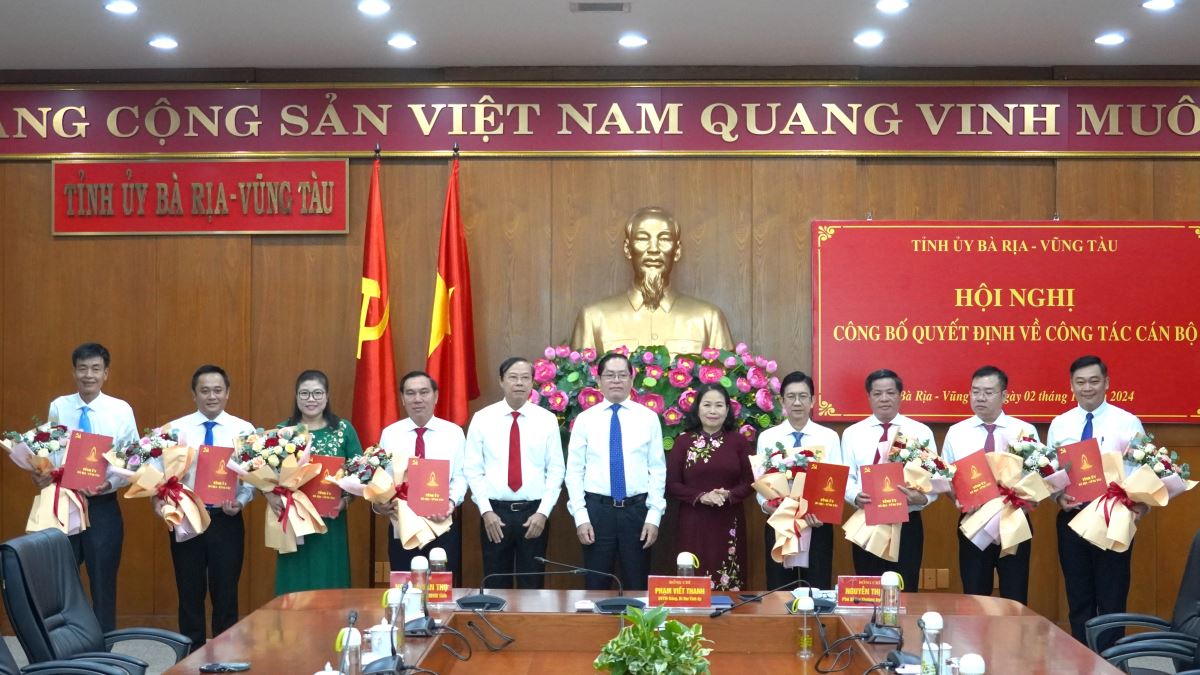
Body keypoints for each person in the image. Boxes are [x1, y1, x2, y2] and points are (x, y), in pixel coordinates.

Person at [1047, 355, 1145, 652]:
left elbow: (1141, 471)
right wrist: (1056, 495)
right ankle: (1081, 658)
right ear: (1071, 386)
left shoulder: (1127, 422)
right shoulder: (1060, 423)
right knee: (1078, 597)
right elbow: (1050, 469)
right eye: (1080, 382)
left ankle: (1113, 661)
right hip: (1073, 518)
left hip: (1113, 519)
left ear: (1106, 383)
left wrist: (1140, 504)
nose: (1087, 388)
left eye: (1093, 381)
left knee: (1112, 597)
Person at [43, 342, 138, 632]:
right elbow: (50, 450)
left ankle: (104, 649)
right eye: (82, 368)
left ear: (106, 373)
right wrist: (42, 471)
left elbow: (132, 459)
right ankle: (70, 644)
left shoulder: (120, 410)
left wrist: (108, 482)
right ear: (74, 372)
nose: (88, 375)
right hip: (65, 502)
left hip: (102, 507)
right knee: (64, 583)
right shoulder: (59, 406)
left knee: (103, 581)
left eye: (96, 369)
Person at [164, 364, 256, 650]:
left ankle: (226, 654)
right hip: (187, 518)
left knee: (225, 591)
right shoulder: (175, 430)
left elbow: (253, 477)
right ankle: (189, 656)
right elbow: (160, 473)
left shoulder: (244, 430)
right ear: (194, 394)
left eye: (218, 390)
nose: (211, 396)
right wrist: (163, 499)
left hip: (226, 519)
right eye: (204, 390)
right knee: (189, 592)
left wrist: (240, 501)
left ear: (227, 393)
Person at [565, 351, 666, 591]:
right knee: (596, 585)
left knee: (637, 584)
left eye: (622, 375)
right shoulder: (585, 420)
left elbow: (658, 470)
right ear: (598, 381)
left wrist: (654, 516)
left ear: (632, 380)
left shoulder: (648, 418)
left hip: (637, 513)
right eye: (610, 375)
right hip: (598, 513)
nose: (616, 380)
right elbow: (574, 472)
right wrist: (581, 517)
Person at [570, 206, 734, 355]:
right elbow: (579, 382)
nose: (654, 249)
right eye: (642, 239)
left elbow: (723, 383)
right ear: (628, 249)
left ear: (677, 250)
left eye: (664, 239)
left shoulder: (708, 319)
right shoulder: (594, 318)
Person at [464, 357, 565, 588]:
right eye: (513, 377)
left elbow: (556, 470)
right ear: (501, 381)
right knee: (495, 583)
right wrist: (486, 511)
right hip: (494, 514)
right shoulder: (482, 418)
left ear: (532, 383)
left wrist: (543, 513)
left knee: (533, 585)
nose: (519, 383)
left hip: (534, 514)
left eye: (525, 378)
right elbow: (472, 469)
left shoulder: (547, 420)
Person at [943, 365, 1039, 604]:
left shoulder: (1024, 430)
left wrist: (1026, 500)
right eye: (975, 392)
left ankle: (1013, 642)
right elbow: (945, 477)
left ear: (1004, 395)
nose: (980, 398)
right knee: (975, 595)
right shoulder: (957, 432)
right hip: (973, 522)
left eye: (988, 392)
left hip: (1014, 520)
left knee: (1015, 596)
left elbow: (1037, 475)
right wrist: (958, 498)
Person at [843, 369, 937, 591]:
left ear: (900, 395)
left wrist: (922, 498)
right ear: (869, 397)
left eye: (890, 393)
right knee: (869, 589)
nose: (884, 399)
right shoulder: (852, 433)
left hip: (907, 522)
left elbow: (934, 479)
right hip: (867, 520)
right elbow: (847, 477)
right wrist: (855, 495)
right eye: (877, 393)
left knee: (905, 588)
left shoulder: (920, 432)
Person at [270, 370, 361, 595]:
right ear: (296, 396)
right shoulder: (283, 431)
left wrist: (346, 501)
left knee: (329, 580)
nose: (311, 399)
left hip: (330, 523)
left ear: (327, 396)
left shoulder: (343, 430)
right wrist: (270, 495)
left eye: (317, 393)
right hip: (293, 521)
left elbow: (361, 474)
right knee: (295, 584)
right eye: (305, 394)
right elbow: (268, 474)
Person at [754, 370, 843, 590]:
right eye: (791, 396)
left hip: (816, 524)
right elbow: (761, 482)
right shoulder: (768, 437)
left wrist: (823, 512)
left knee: (817, 587)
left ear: (813, 400)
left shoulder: (829, 437)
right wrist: (766, 505)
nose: (797, 402)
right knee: (779, 588)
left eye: (803, 396)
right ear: (782, 400)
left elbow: (836, 482)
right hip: (779, 522)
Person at [376, 371, 467, 585]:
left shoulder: (453, 433)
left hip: (441, 524)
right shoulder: (390, 434)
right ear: (403, 399)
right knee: (405, 588)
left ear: (435, 396)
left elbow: (462, 476)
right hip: (403, 527)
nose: (417, 399)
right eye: (411, 393)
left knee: (440, 589)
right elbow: (380, 479)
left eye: (424, 392)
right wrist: (379, 505)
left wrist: (450, 503)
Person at [666, 383, 754, 590]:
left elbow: (752, 481)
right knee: (693, 577)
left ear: (727, 410)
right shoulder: (683, 442)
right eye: (707, 405)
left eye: (719, 405)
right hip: (693, 522)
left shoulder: (739, 442)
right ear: (697, 408)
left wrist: (730, 494)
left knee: (730, 579)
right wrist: (701, 496)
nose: (713, 411)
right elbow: (671, 484)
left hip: (729, 521)